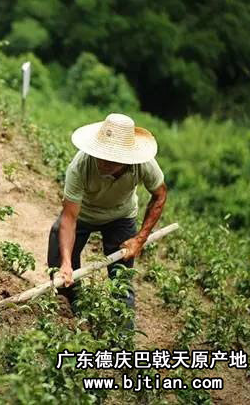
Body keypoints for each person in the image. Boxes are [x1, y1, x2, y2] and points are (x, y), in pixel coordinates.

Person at [48, 113, 167, 319]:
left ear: (126, 158)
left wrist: (139, 239)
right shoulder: (81, 166)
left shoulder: (144, 164)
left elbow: (160, 195)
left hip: (121, 217)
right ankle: (74, 315)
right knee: (60, 265)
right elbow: (69, 218)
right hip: (84, 214)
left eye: (112, 159)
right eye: (101, 155)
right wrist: (66, 262)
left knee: (122, 281)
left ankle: (121, 339)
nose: (104, 162)